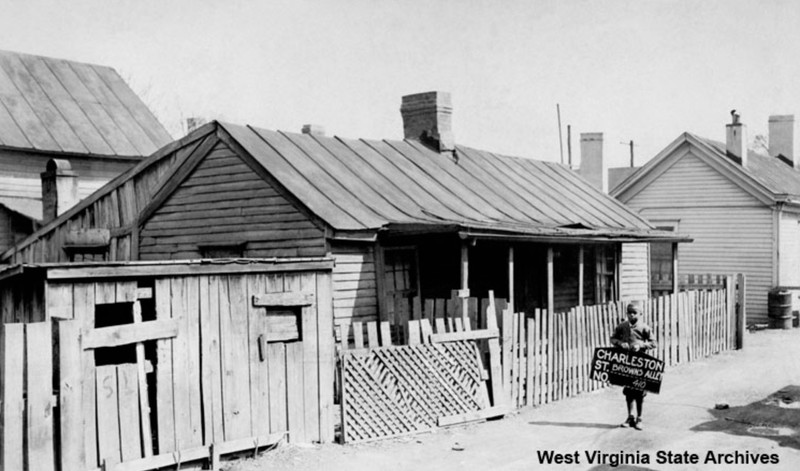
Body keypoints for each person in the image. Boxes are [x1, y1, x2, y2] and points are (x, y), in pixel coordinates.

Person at [610, 300, 656, 430]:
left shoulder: (645, 328)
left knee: (639, 392)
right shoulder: (622, 326)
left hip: (640, 364)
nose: (631, 315)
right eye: (629, 313)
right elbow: (612, 338)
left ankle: (639, 418)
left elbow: (654, 343)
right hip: (626, 363)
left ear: (640, 313)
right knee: (628, 391)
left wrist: (640, 345)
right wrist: (620, 343)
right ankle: (630, 417)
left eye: (634, 313)